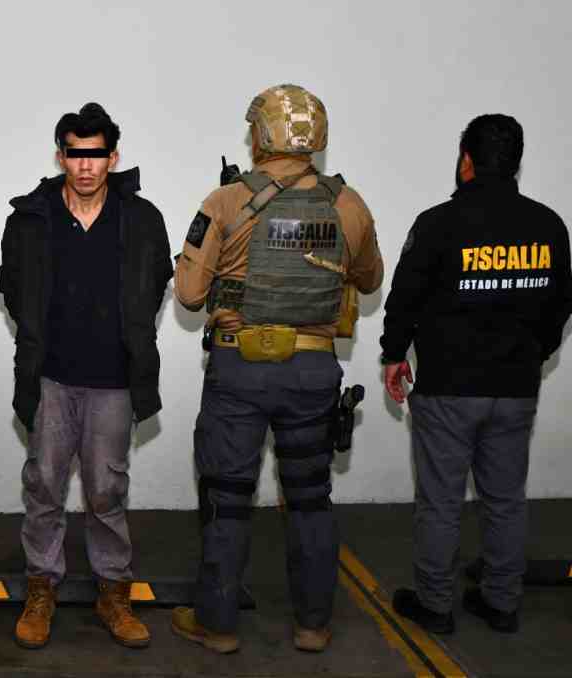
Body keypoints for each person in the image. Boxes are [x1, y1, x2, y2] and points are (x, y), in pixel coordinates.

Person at [172, 84, 383, 653]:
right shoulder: (349, 204)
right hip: (313, 373)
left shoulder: (225, 202)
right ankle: (313, 626)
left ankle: (217, 626)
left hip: (239, 369)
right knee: (310, 496)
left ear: (262, 135)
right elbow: (370, 280)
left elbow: (189, 295)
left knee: (227, 496)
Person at [381, 114, 572, 635]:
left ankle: (435, 604)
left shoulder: (438, 223)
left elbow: (404, 299)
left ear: (466, 160)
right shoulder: (548, 226)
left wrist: (394, 355)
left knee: (441, 502)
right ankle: (501, 603)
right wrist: (533, 353)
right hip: (516, 388)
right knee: (506, 500)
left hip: (449, 388)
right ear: (515, 162)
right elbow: (561, 305)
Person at [0, 103, 172, 649]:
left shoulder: (142, 219)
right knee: (44, 486)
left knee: (106, 490)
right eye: (76, 153)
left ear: (112, 157)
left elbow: (157, 281)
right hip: (50, 377)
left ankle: (113, 593)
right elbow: (11, 285)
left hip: (114, 380)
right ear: (61, 156)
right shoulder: (31, 218)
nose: (86, 165)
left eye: (96, 154)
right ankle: (41, 589)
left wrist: (129, 334)